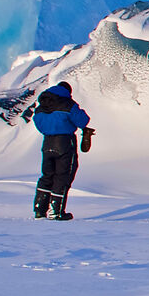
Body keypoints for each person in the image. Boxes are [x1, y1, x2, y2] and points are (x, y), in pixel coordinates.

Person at [30, 81, 92, 221]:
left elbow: (38, 122)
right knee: (62, 176)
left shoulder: (42, 106)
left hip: (47, 143)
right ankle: (56, 211)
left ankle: (39, 210)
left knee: (47, 176)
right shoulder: (68, 104)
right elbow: (83, 121)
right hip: (64, 143)